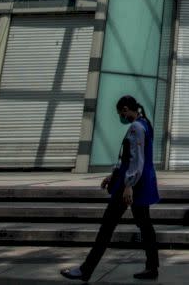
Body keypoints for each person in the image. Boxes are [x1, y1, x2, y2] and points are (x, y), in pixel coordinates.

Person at [61, 95, 161, 281]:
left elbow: (136, 159)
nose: (120, 117)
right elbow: (130, 158)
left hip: (131, 186)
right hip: (139, 183)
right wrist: (114, 175)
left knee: (107, 226)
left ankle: (86, 270)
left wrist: (128, 185)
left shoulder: (136, 127)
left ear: (125, 109)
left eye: (119, 113)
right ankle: (152, 267)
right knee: (145, 226)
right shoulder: (145, 123)